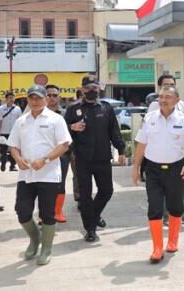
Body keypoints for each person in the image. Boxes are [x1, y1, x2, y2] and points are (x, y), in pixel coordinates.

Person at [6, 85, 72, 266]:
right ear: (27, 100)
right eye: (31, 98)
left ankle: (46, 249)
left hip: (48, 175)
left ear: (45, 99)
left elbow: (64, 145)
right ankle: (35, 240)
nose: (35, 102)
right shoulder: (21, 121)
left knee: (47, 214)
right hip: (26, 175)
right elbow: (13, 145)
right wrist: (18, 158)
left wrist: (45, 160)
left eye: (38, 98)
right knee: (22, 211)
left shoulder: (56, 119)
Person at [133, 85, 184, 264]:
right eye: (160, 97)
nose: (163, 100)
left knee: (175, 206)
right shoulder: (150, 119)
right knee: (154, 207)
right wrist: (136, 167)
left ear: (177, 101)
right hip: (153, 170)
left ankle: (173, 241)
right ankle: (157, 248)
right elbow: (141, 144)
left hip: (176, 169)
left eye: (167, 97)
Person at [64, 74, 125, 242]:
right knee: (85, 195)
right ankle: (90, 229)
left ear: (99, 89)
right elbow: (61, 132)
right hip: (82, 159)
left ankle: (94, 215)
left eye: (94, 88)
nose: (91, 91)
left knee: (107, 191)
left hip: (103, 157)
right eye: (88, 88)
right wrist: (72, 127)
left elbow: (114, 131)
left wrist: (121, 150)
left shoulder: (106, 108)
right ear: (82, 89)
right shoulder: (72, 109)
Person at [146, 74, 184, 224]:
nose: (170, 87)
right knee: (167, 186)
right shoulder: (155, 105)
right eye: (166, 84)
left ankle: (180, 210)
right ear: (159, 87)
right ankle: (168, 213)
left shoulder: (180, 104)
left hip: (183, 151)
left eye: (172, 84)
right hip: (164, 154)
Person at [45, 84, 72, 223]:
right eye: (48, 95)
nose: (52, 98)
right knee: (43, 185)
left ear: (59, 97)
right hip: (43, 156)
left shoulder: (66, 114)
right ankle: (44, 214)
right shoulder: (37, 114)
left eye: (55, 95)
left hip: (62, 155)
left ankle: (58, 212)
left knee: (60, 184)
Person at [0, 92, 22, 172]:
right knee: (3, 150)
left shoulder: (17, 109)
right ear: (6, 99)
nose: (12, 99)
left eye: (13, 98)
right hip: (3, 132)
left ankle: (12, 166)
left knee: (13, 150)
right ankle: (3, 165)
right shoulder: (1, 108)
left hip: (13, 133)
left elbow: (20, 122)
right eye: (10, 98)